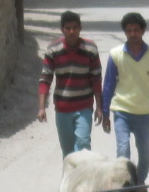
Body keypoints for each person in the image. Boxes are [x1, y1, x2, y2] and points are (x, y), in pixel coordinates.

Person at [100, 11, 149, 186]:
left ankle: (138, 185)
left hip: (144, 113)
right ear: (125, 32)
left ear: (143, 31)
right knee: (123, 152)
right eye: (129, 30)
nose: (133, 34)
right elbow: (108, 84)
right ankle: (125, 188)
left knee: (145, 155)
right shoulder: (116, 55)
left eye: (136, 30)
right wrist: (106, 112)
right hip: (122, 111)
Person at [36, 10, 105, 156]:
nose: (72, 31)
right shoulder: (53, 49)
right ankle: (71, 179)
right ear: (62, 29)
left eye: (75, 27)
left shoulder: (90, 49)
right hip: (62, 109)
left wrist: (99, 107)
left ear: (80, 28)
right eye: (68, 28)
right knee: (68, 153)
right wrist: (41, 107)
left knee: (83, 145)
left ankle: (84, 178)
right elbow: (45, 79)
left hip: (84, 107)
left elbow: (96, 79)